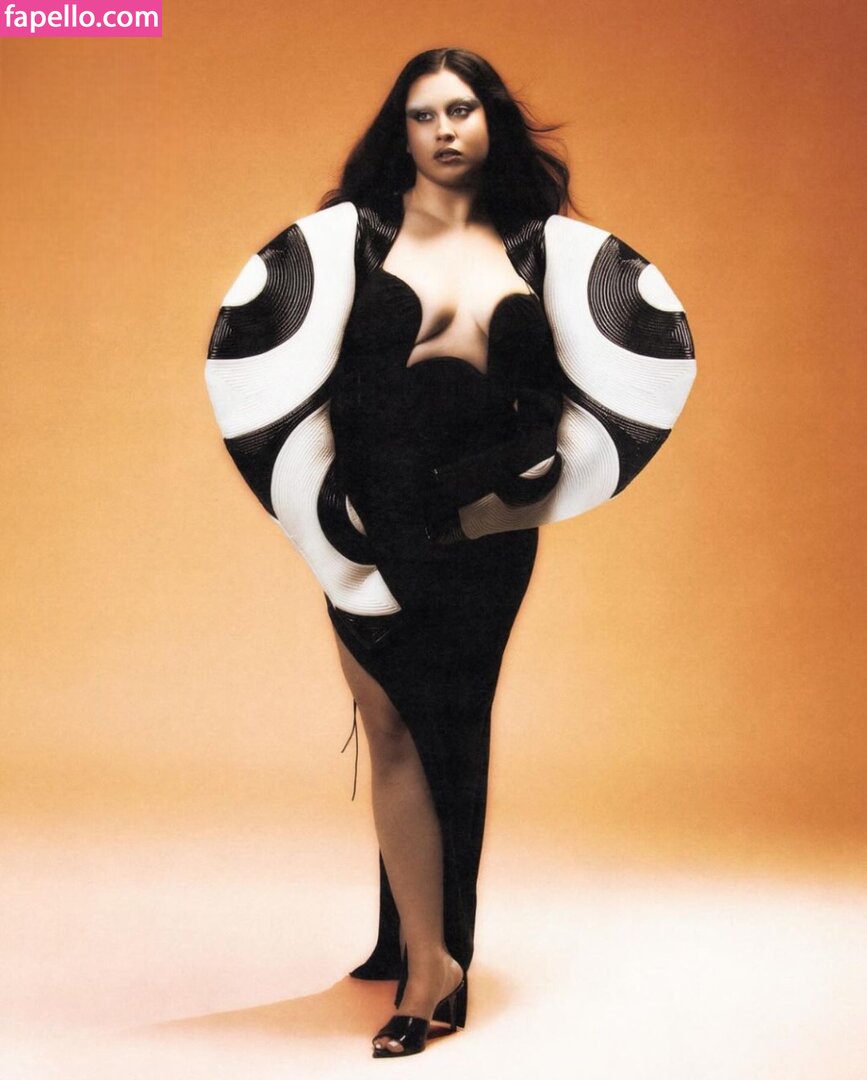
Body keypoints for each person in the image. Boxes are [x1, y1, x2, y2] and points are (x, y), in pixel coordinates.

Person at [204, 47, 695, 1060]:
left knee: (452, 732)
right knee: (390, 727)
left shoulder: (540, 249)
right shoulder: (352, 240)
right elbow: (290, 384)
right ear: (402, 130)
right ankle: (412, 948)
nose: (445, 130)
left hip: (485, 530)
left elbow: (575, 402)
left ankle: (435, 962)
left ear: (491, 120)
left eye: (462, 109)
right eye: (424, 114)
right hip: (367, 522)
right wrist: (331, 517)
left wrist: (500, 496)